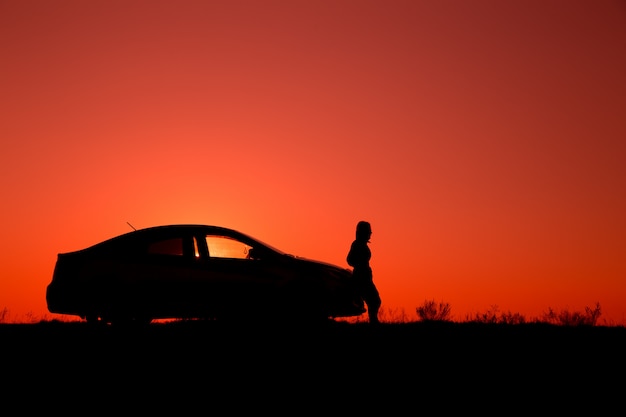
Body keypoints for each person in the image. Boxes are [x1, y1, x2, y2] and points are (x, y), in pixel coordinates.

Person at [347, 220, 381, 324]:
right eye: (369, 232)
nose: (370, 234)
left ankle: (373, 321)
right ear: (363, 232)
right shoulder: (357, 245)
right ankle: (373, 322)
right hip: (361, 278)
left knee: (374, 301)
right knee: (374, 300)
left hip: (365, 277)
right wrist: (360, 265)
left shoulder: (361, 244)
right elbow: (349, 260)